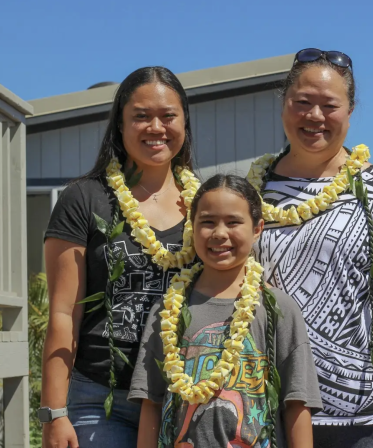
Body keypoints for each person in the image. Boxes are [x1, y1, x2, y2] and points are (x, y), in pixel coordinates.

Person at [247, 48, 373, 447]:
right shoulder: (251, 191)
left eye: (329, 105)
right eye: (302, 102)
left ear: (350, 110)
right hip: (267, 413)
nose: (315, 116)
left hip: (366, 422)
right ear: (284, 103)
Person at [40, 67, 201, 448]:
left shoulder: (203, 204)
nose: (155, 127)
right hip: (101, 400)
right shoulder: (84, 198)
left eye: (168, 116)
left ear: (185, 122)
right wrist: (53, 413)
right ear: (120, 125)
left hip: (185, 399)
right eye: (141, 116)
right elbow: (64, 313)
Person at [129, 174, 322, 447]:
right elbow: (151, 401)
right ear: (191, 228)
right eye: (207, 222)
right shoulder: (167, 312)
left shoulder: (278, 309)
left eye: (233, 222)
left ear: (257, 229)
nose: (219, 233)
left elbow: (297, 403)